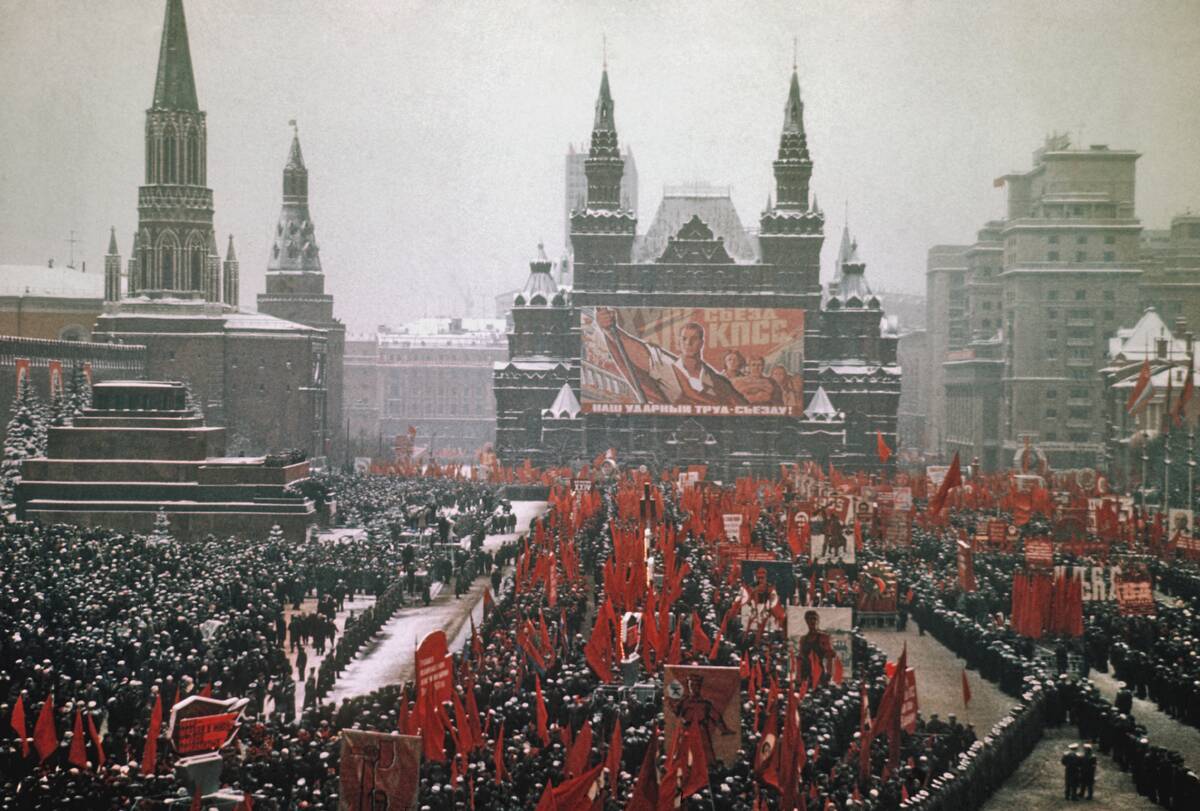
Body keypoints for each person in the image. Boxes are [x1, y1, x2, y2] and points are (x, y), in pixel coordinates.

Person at [669, 673, 735, 766]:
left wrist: (724, 729)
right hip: (688, 730)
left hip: (701, 731)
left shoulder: (705, 704)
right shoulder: (684, 702)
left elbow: (716, 717)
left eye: (696, 685)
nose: (693, 688)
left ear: (699, 687)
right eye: (691, 685)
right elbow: (676, 712)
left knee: (705, 755)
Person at [798, 609, 836, 685]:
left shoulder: (823, 637)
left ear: (818, 621)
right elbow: (800, 659)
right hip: (805, 674)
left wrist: (829, 675)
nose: (812, 621)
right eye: (810, 619)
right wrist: (798, 677)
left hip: (819, 673)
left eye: (814, 618)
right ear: (806, 621)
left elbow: (830, 658)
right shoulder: (803, 639)